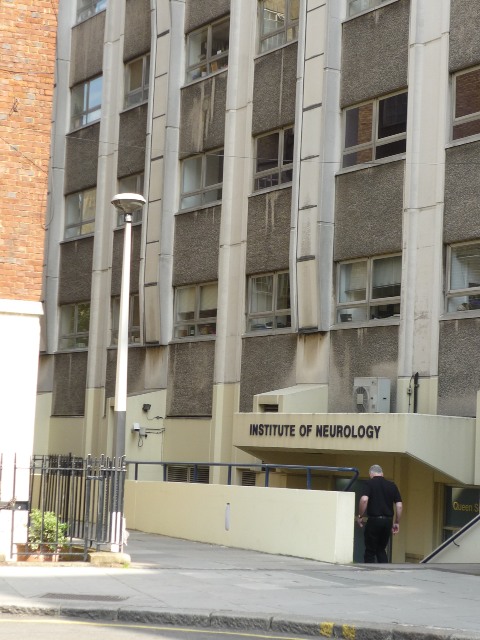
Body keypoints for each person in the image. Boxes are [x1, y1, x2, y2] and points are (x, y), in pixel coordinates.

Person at [356, 464, 403, 563]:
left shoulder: (369, 484)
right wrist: (397, 522)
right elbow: (399, 505)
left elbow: (364, 499)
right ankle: (385, 572)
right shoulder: (392, 485)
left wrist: (360, 515)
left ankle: (368, 573)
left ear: (370, 474)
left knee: (370, 551)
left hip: (374, 520)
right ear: (382, 473)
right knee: (381, 549)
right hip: (388, 522)